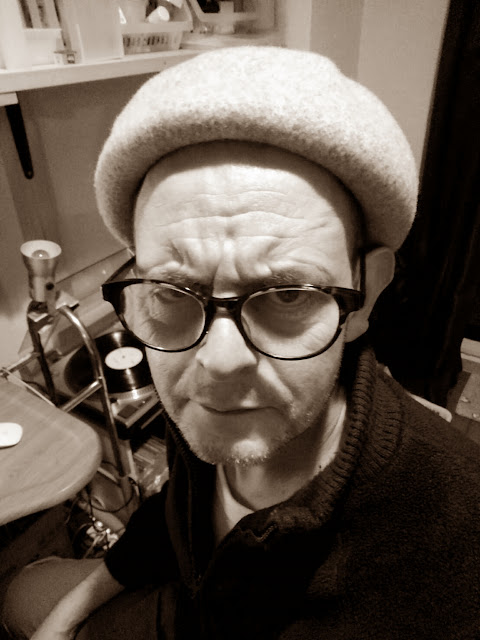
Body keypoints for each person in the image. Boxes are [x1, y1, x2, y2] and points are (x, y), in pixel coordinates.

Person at [3, 46, 479, 640]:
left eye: (287, 294)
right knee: (21, 597)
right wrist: (69, 614)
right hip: (189, 606)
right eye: (173, 290)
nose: (218, 361)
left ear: (365, 296)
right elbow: (172, 515)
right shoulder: (196, 378)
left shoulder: (456, 549)